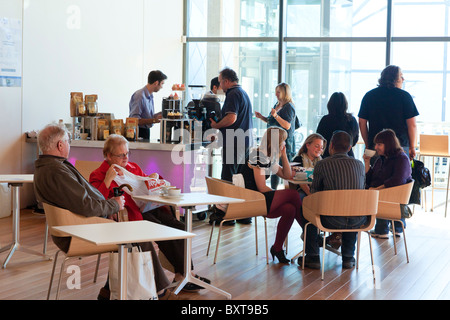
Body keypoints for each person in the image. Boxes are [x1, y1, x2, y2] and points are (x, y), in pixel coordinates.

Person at [33, 124, 171, 299]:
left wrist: (107, 208)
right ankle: (162, 293)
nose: (69, 145)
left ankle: (108, 291)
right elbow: (85, 206)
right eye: (67, 142)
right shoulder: (56, 171)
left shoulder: (46, 168)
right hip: (78, 231)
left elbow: (82, 202)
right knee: (136, 238)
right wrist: (112, 205)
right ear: (60, 145)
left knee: (133, 235)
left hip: (74, 226)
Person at [89, 134, 210, 292]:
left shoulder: (133, 167)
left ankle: (185, 274)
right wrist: (107, 180)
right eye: (121, 155)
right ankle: (175, 279)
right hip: (130, 216)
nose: (125, 157)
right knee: (162, 230)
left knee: (178, 227)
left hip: (148, 208)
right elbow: (96, 200)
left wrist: (153, 178)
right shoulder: (98, 174)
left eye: (127, 153)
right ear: (109, 156)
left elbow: (146, 184)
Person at [301, 131, 366, 269]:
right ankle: (348, 257)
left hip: (330, 219)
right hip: (359, 219)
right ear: (349, 148)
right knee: (352, 209)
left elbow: (314, 194)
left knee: (308, 209)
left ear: (331, 146)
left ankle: (313, 256)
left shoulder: (322, 165)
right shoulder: (360, 165)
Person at [239, 127, 302, 264]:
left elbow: (286, 175)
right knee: (293, 194)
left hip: (260, 197)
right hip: (252, 199)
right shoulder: (258, 155)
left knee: (290, 209)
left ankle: (277, 248)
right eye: (283, 141)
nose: (285, 143)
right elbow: (261, 187)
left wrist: (284, 155)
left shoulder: (267, 157)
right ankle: (309, 233)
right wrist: (277, 194)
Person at [358, 65, 419, 160]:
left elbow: (362, 122)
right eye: (401, 76)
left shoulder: (369, 96)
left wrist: (368, 144)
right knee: (400, 173)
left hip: (375, 145)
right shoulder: (405, 96)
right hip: (400, 146)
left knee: (375, 173)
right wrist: (411, 147)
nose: (403, 79)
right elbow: (412, 125)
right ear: (394, 78)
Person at [363, 129, 413, 238]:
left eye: (379, 144)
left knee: (375, 195)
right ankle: (382, 229)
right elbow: (370, 178)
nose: (376, 147)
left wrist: (377, 190)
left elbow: (398, 180)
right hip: (382, 197)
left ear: (389, 144)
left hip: (393, 199)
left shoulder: (402, 158)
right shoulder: (381, 159)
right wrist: (367, 162)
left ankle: (382, 229)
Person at [210, 67, 254, 182]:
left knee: (228, 178)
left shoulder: (233, 94)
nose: (220, 85)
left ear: (226, 81)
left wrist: (216, 125)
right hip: (244, 141)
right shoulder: (243, 93)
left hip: (233, 142)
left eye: (220, 82)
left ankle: (226, 200)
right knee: (238, 178)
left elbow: (231, 118)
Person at [255, 82, 297, 189]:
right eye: (276, 92)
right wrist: (262, 117)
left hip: (282, 140)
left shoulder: (289, 107)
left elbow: (287, 125)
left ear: (284, 93)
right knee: (274, 166)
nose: (276, 94)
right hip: (273, 139)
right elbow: (272, 121)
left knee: (283, 166)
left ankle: (286, 190)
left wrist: (276, 115)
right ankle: (274, 189)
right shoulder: (277, 105)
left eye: (278, 92)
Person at [316, 92, 359, 158]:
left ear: (330, 104)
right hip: (348, 156)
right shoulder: (351, 120)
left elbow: (319, 138)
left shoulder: (325, 120)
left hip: (327, 156)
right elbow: (355, 139)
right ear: (345, 105)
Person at [129, 70, 167, 140]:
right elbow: (134, 120)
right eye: (162, 84)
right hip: (138, 132)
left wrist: (158, 115)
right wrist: (154, 120)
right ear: (156, 83)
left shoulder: (150, 95)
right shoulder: (139, 96)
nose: (162, 87)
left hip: (146, 131)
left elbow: (146, 117)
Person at [291, 133, 326, 200]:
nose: (319, 149)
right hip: (303, 190)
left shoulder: (323, 161)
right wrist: (311, 195)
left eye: (322, 148)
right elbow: (301, 182)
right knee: (300, 196)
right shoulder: (298, 159)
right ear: (308, 145)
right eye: (317, 146)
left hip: (320, 190)